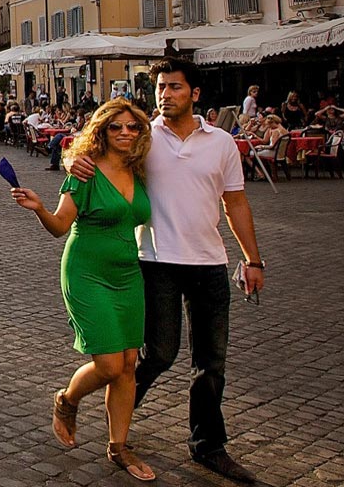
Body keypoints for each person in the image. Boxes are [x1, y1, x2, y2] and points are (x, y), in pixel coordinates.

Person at [69, 58, 263, 485]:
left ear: (195, 94)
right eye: (160, 87)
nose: (165, 94)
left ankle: (208, 446)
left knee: (211, 362)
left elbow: (236, 204)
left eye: (174, 87)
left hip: (210, 263)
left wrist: (252, 259)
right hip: (155, 262)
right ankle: (119, 417)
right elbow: (92, 152)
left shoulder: (222, 143)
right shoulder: (141, 139)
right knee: (159, 353)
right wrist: (73, 163)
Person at [11, 98, 158, 482]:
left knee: (128, 365)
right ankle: (66, 399)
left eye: (132, 127)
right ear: (101, 131)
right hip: (86, 273)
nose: (125, 133)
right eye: (116, 127)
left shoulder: (141, 168)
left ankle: (118, 445)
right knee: (109, 364)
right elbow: (61, 226)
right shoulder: (85, 171)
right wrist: (40, 208)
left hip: (129, 274)